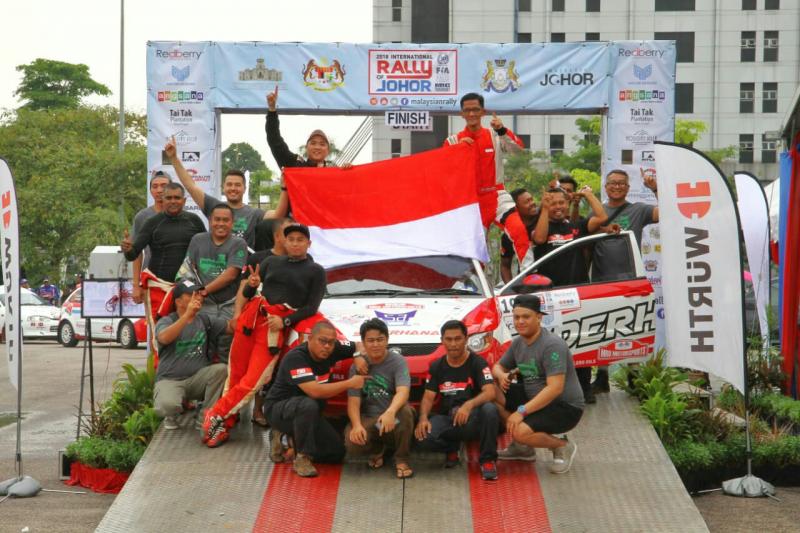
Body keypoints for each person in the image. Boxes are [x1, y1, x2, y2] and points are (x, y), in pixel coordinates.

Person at [264, 320, 371, 478]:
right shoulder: (296, 358)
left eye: (331, 342)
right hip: (279, 410)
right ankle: (302, 458)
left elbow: (359, 345)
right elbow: (315, 392)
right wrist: (350, 383)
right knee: (308, 404)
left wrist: (357, 355)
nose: (327, 346)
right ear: (310, 339)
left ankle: (291, 438)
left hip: (309, 414)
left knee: (336, 454)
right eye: (322, 341)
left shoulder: (333, 348)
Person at [493, 294, 584, 474]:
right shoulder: (518, 342)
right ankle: (522, 448)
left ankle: (561, 446)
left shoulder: (552, 345)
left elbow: (555, 388)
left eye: (526, 317)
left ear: (539, 317)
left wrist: (521, 412)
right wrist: (502, 375)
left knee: (520, 430)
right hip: (534, 397)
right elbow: (497, 366)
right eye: (516, 317)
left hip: (564, 406)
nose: (520, 322)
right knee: (490, 392)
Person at [532, 186, 606, 402]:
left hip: (579, 292)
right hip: (551, 295)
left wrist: (587, 194)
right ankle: (552, 391)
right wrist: (544, 210)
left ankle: (584, 389)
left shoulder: (575, 226)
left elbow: (601, 217)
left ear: (567, 204)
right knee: (553, 345)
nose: (558, 207)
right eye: (553, 203)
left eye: (561, 203)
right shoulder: (540, 224)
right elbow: (539, 239)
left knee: (582, 341)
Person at [590, 168, 659, 393]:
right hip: (600, 282)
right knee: (602, 329)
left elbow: (667, 212)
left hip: (632, 281)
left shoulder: (638, 210)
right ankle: (601, 377)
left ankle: (634, 376)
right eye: (613, 183)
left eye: (622, 183)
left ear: (628, 188)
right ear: (606, 187)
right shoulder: (596, 212)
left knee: (633, 328)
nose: (617, 186)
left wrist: (655, 188)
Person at [444, 92, 531, 269]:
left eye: (475, 109)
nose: (471, 114)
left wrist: (502, 130)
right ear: (461, 113)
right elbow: (445, 172)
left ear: (483, 112)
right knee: (474, 250)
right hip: (471, 201)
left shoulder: (495, 135)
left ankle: (529, 275)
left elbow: (519, 151)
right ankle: (475, 288)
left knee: (518, 230)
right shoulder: (452, 141)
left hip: (497, 194)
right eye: (467, 110)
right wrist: (460, 152)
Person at [121, 182, 206, 355]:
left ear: (184, 200)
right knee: (159, 334)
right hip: (159, 287)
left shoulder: (194, 221)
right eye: (168, 198)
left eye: (176, 198)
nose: (173, 201)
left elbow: (205, 252)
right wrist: (128, 250)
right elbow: (134, 254)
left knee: (191, 330)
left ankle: (189, 371)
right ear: (162, 199)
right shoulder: (152, 222)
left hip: (187, 288)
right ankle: (160, 376)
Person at [415, 320, 499, 481]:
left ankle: (487, 460)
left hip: (474, 417)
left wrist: (469, 405)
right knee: (422, 437)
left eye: (458, 339)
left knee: (490, 409)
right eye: (449, 339)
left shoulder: (477, 362)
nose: (453, 344)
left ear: (466, 339)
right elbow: (428, 397)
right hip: (449, 418)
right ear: (442, 341)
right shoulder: (436, 366)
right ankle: (452, 447)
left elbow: (490, 392)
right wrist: (423, 418)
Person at [153, 280, 230, 431]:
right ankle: (171, 415)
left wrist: (247, 292)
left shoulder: (205, 320)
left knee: (222, 369)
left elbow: (232, 326)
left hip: (197, 379)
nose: (198, 297)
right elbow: (163, 338)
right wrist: (187, 315)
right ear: (179, 301)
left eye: (199, 294)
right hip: (171, 379)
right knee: (167, 405)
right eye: (192, 294)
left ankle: (205, 418)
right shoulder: (167, 320)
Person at [164, 138, 265, 248]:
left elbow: (278, 215)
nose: (233, 188)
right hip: (213, 263)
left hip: (241, 264)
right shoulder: (214, 206)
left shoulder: (255, 214)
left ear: (244, 188)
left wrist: (284, 187)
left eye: (237, 185)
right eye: (229, 184)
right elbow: (191, 186)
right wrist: (174, 158)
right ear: (223, 187)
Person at [345, 318, 414, 479]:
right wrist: (356, 426)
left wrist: (390, 412)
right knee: (352, 444)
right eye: (370, 340)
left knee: (406, 412)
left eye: (380, 340)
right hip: (370, 418)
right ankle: (378, 450)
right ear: (363, 342)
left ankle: (402, 459)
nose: (375, 344)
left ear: (387, 340)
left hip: (393, 416)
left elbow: (403, 391)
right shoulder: (357, 367)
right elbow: (353, 401)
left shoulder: (398, 361)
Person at [265, 86, 347, 218]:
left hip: (325, 226)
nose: (317, 147)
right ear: (306, 147)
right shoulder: (295, 164)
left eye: (322, 144)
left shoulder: (334, 173)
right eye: (313, 143)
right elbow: (275, 141)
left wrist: (348, 172)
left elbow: (349, 197)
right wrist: (272, 111)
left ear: (328, 150)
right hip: (295, 228)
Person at [181, 203, 248, 363]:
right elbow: (187, 269)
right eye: (217, 219)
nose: (221, 224)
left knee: (227, 348)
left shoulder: (238, 244)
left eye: (225, 220)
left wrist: (205, 290)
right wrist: (193, 293)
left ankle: (226, 385)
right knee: (203, 346)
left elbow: (231, 274)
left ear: (232, 222)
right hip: (204, 304)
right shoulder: (197, 240)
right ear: (210, 221)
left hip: (228, 304)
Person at [131, 171, 171, 304]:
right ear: (150, 190)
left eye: (164, 185)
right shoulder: (142, 217)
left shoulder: (183, 216)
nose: (159, 190)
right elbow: (136, 253)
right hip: (151, 279)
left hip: (177, 280)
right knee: (153, 323)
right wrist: (136, 285)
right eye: (155, 186)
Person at [500, 188, 539, 284]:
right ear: (516, 208)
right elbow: (505, 265)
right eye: (527, 202)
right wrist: (510, 288)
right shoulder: (509, 235)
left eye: (531, 199)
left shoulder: (543, 220)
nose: (532, 203)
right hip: (528, 283)